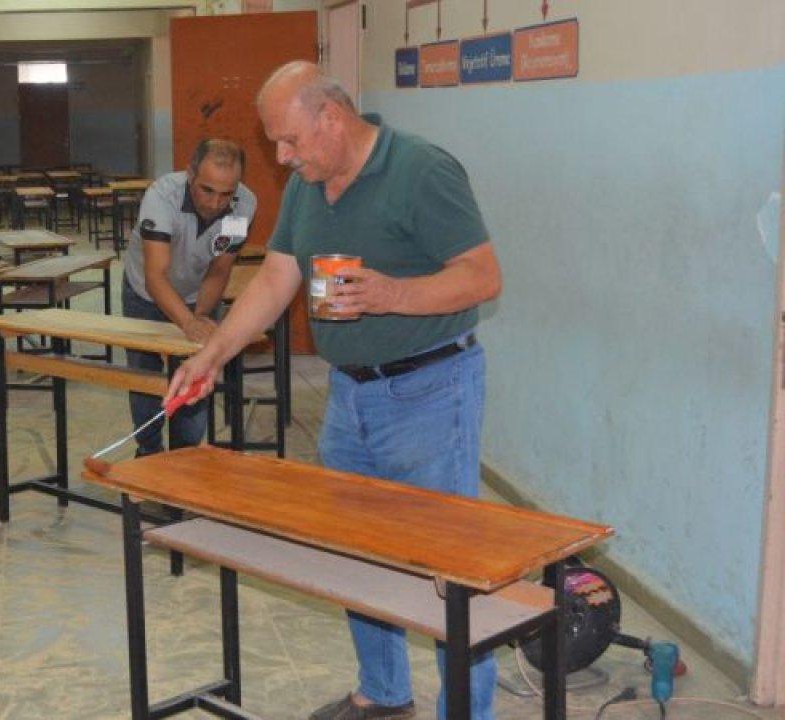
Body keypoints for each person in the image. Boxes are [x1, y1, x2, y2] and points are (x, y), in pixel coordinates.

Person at [163, 61, 503, 719]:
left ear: (332, 117)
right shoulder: (307, 188)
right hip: (350, 397)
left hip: (431, 391)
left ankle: (468, 712)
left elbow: (483, 276)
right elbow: (272, 282)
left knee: (448, 567)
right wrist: (213, 353)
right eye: (275, 145)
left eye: (290, 141)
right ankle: (383, 693)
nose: (283, 157)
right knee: (357, 552)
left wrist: (395, 294)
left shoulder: (423, 171)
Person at [121, 138, 257, 456]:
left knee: (198, 373)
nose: (214, 203)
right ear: (190, 173)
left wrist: (200, 318)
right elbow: (156, 276)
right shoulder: (160, 196)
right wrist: (186, 321)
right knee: (146, 379)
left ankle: (185, 458)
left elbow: (219, 270)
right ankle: (149, 454)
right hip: (146, 293)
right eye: (206, 190)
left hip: (199, 293)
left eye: (226, 194)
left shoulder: (246, 204)